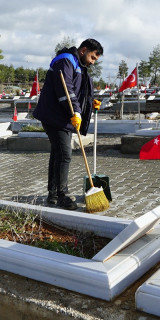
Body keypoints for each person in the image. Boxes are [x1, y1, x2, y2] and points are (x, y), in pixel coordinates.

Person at [32, 39, 103, 210]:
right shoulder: (65, 60)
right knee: (64, 154)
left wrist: (90, 102)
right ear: (83, 50)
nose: (93, 62)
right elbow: (66, 89)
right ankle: (62, 195)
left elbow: (81, 89)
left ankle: (53, 195)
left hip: (63, 115)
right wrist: (76, 112)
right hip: (54, 115)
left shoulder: (79, 65)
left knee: (58, 153)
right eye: (92, 57)